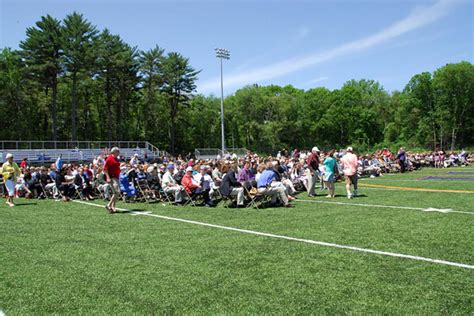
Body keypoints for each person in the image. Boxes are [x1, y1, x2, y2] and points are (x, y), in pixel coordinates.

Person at [104, 147, 121, 213]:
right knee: (117, 192)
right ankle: (109, 205)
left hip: (116, 177)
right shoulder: (109, 158)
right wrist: (108, 177)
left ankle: (113, 207)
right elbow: (105, 169)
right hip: (112, 177)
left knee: (116, 192)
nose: (119, 152)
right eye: (118, 151)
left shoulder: (116, 158)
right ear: (114, 152)